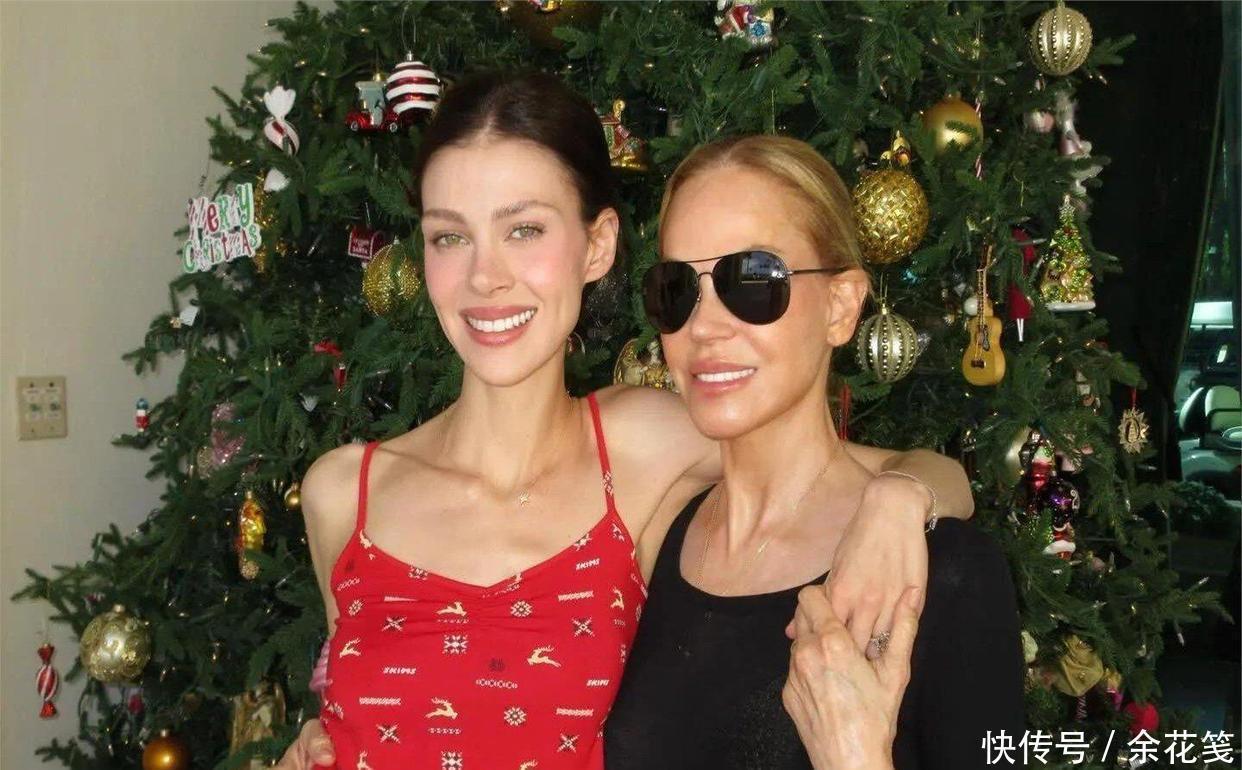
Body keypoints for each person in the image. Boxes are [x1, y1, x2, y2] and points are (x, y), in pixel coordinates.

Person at [277, 72, 974, 770]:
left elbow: (885, 473)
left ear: (599, 246)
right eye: (449, 237)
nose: (485, 277)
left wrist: (896, 503)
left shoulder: (645, 448)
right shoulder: (346, 493)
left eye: (524, 229)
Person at [602, 135, 1025, 770]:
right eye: (676, 288)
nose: (703, 327)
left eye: (753, 279)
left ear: (841, 306)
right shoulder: (655, 536)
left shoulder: (945, 573)